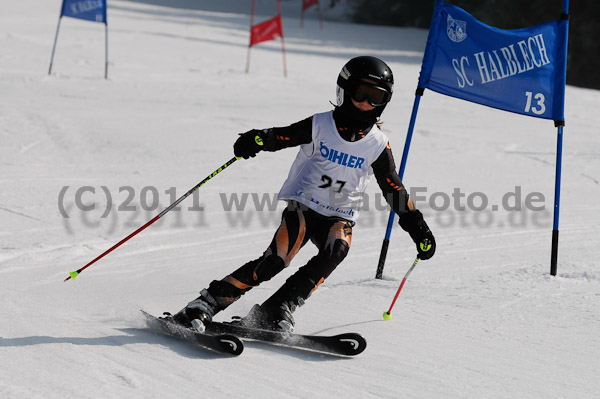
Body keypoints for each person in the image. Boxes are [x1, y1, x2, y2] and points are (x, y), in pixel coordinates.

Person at [169, 56, 436, 332]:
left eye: (376, 97)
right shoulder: (321, 125)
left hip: (340, 216)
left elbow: (393, 187)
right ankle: (207, 303)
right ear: (344, 91)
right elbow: (282, 136)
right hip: (305, 207)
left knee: (336, 250)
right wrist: (257, 139)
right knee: (276, 260)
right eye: (361, 93)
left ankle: (276, 308)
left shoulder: (378, 144)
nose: (366, 102)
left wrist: (418, 227)